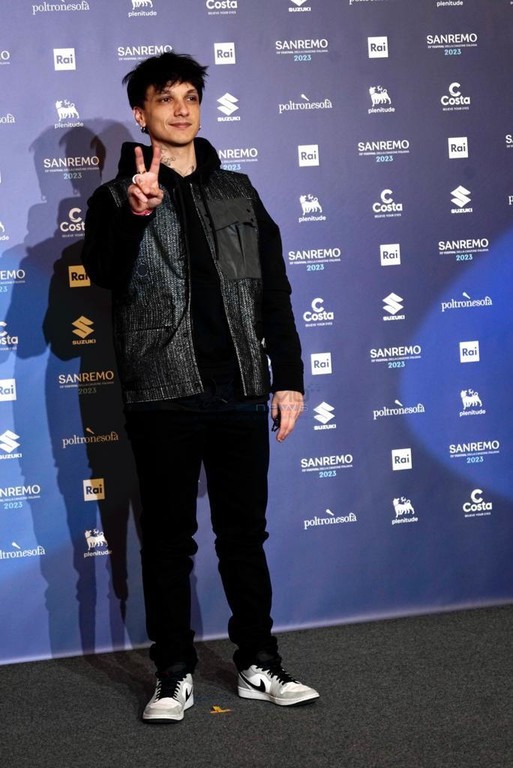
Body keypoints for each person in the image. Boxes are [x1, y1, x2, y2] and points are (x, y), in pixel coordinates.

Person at [82, 52, 319, 723]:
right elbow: (103, 275)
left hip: (241, 388)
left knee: (244, 537)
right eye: (165, 99)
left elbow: (274, 291)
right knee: (167, 542)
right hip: (162, 392)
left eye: (190, 96)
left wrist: (288, 379)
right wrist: (135, 214)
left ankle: (258, 662)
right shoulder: (114, 199)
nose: (181, 109)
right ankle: (173, 673)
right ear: (141, 114)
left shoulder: (239, 190)